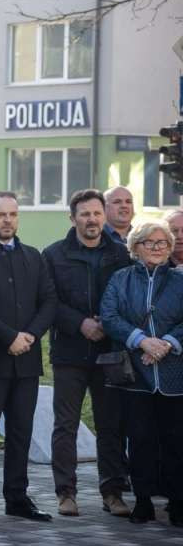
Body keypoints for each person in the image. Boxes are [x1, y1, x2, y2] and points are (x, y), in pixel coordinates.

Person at [0, 192, 57, 523]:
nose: (7, 220)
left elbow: (49, 301)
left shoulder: (33, 256)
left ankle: (17, 498)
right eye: (0, 214)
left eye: (13, 214)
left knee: (20, 433)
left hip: (26, 362)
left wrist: (30, 335)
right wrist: (10, 337)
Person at [42, 189, 131, 517]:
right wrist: (80, 323)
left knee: (111, 424)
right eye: (84, 214)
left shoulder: (120, 254)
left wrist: (107, 323)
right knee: (65, 425)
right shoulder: (53, 255)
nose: (91, 220)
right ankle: (66, 492)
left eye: (96, 213)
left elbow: (126, 296)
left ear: (103, 216)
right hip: (69, 351)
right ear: (73, 218)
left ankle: (113, 492)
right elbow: (48, 301)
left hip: (110, 352)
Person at [100, 219, 183, 526]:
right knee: (140, 440)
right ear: (135, 247)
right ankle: (143, 501)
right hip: (136, 374)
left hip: (174, 374)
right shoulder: (121, 279)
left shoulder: (179, 281)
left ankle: (177, 502)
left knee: (176, 441)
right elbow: (109, 316)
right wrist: (142, 341)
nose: (157, 248)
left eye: (162, 243)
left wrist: (167, 343)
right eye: (149, 242)